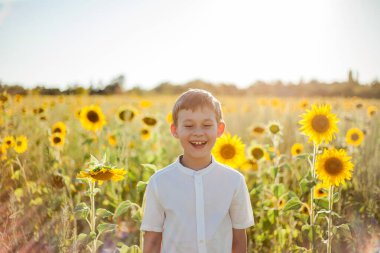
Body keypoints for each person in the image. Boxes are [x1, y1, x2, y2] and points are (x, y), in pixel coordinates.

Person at [140, 89, 254, 253]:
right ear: (175, 130)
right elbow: (152, 239)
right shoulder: (159, 182)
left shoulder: (234, 181)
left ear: (220, 129)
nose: (198, 132)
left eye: (207, 125)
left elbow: (239, 238)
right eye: (188, 125)